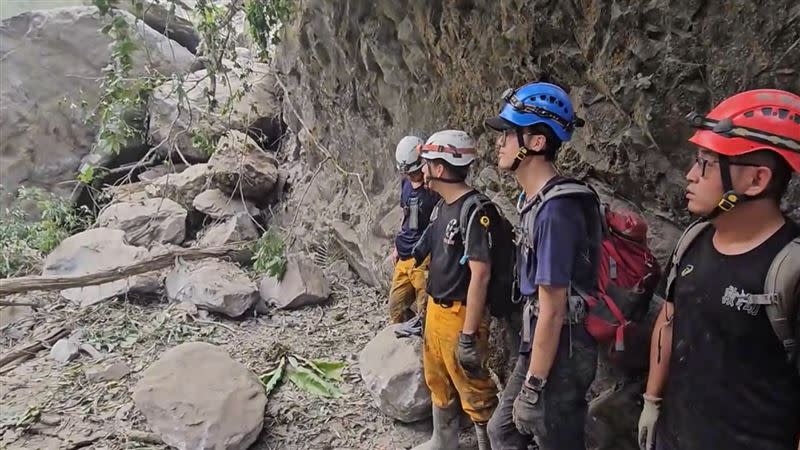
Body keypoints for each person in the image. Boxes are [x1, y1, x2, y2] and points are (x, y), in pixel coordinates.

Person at [637, 89, 800, 450]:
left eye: (707, 163)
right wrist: (652, 400)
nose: (691, 175)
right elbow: (669, 317)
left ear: (757, 180)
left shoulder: (789, 270)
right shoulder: (694, 239)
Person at [484, 81, 600, 450]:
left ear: (536, 143)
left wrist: (533, 388)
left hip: (564, 348)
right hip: (541, 340)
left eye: (508, 133)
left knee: (557, 440)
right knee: (502, 431)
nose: (499, 142)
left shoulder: (555, 211)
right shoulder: (534, 201)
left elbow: (553, 309)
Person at [411, 130, 498, 450]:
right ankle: (443, 441)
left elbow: (481, 275)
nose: (423, 169)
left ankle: (487, 443)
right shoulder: (441, 207)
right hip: (436, 310)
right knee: (437, 377)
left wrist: (468, 334)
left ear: (441, 167)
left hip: (460, 314)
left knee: (473, 386)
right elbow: (428, 245)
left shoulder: (474, 210)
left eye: (428, 162)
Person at [389, 135, 439, 325]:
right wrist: (396, 246)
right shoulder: (406, 185)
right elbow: (405, 215)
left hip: (422, 256)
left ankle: (421, 345)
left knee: (424, 308)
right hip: (404, 253)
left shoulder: (432, 190)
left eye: (415, 172)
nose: (412, 177)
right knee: (396, 308)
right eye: (409, 174)